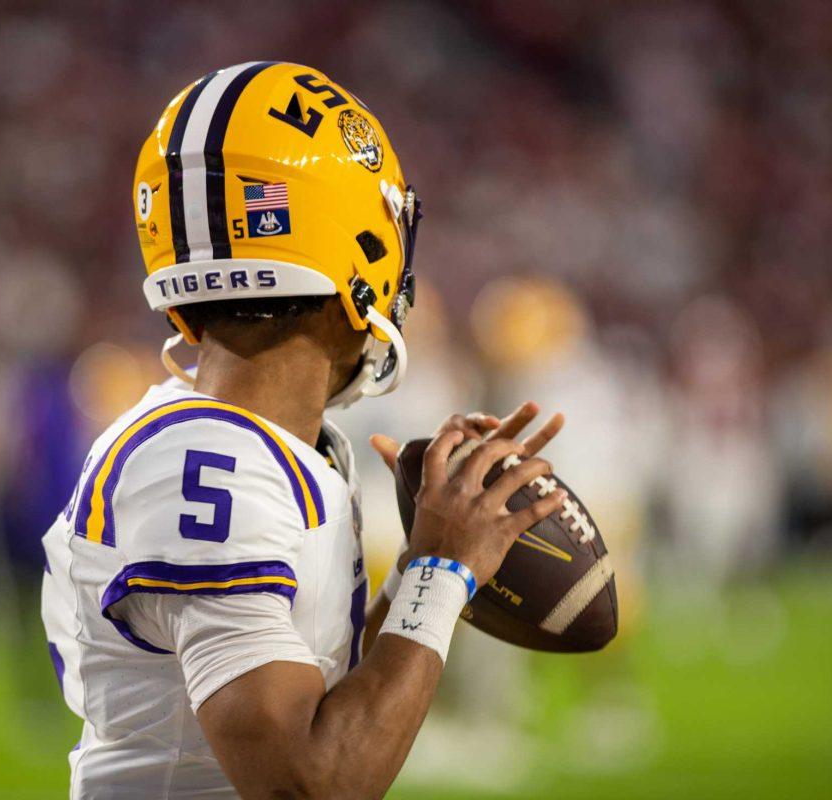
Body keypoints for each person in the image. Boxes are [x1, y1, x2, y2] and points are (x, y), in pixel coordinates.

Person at [41, 61, 567, 799]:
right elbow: (306, 785)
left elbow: (330, 703)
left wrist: (436, 552)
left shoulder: (254, 444)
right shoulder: (203, 463)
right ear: (356, 261)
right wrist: (437, 575)